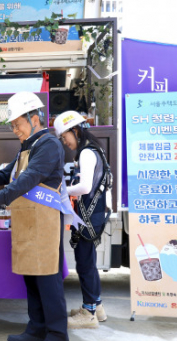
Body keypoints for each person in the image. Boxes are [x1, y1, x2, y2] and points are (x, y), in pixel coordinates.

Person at [0, 92, 71, 341]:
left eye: (17, 124)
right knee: (32, 279)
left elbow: (27, 181)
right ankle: (36, 329)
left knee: (48, 280)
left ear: (34, 119)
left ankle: (59, 339)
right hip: (27, 221)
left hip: (45, 223)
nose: (14, 130)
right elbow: (6, 175)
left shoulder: (48, 145)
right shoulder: (28, 145)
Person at [54, 110, 112, 329]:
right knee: (88, 261)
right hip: (93, 213)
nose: (64, 142)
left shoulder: (87, 153)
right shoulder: (96, 150)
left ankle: (88, 313)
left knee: (85, 263)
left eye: (64, 136)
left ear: (75, 130)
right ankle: (97, 307)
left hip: (88, 215)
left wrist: (62, 191)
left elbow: (85, 187)